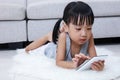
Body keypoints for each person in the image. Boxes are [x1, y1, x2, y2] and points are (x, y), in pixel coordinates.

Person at [25, 1, 104, 71]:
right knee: (48, 40)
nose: (84, 34)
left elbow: (94, 59)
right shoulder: (63, 36)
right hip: (54, 48)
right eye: (78, 28)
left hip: (65, 30)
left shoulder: (89, 37)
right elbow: (59, 62)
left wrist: (97, 65)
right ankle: (48, 36)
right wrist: (74, 65)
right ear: (66, 27)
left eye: (89, 28)